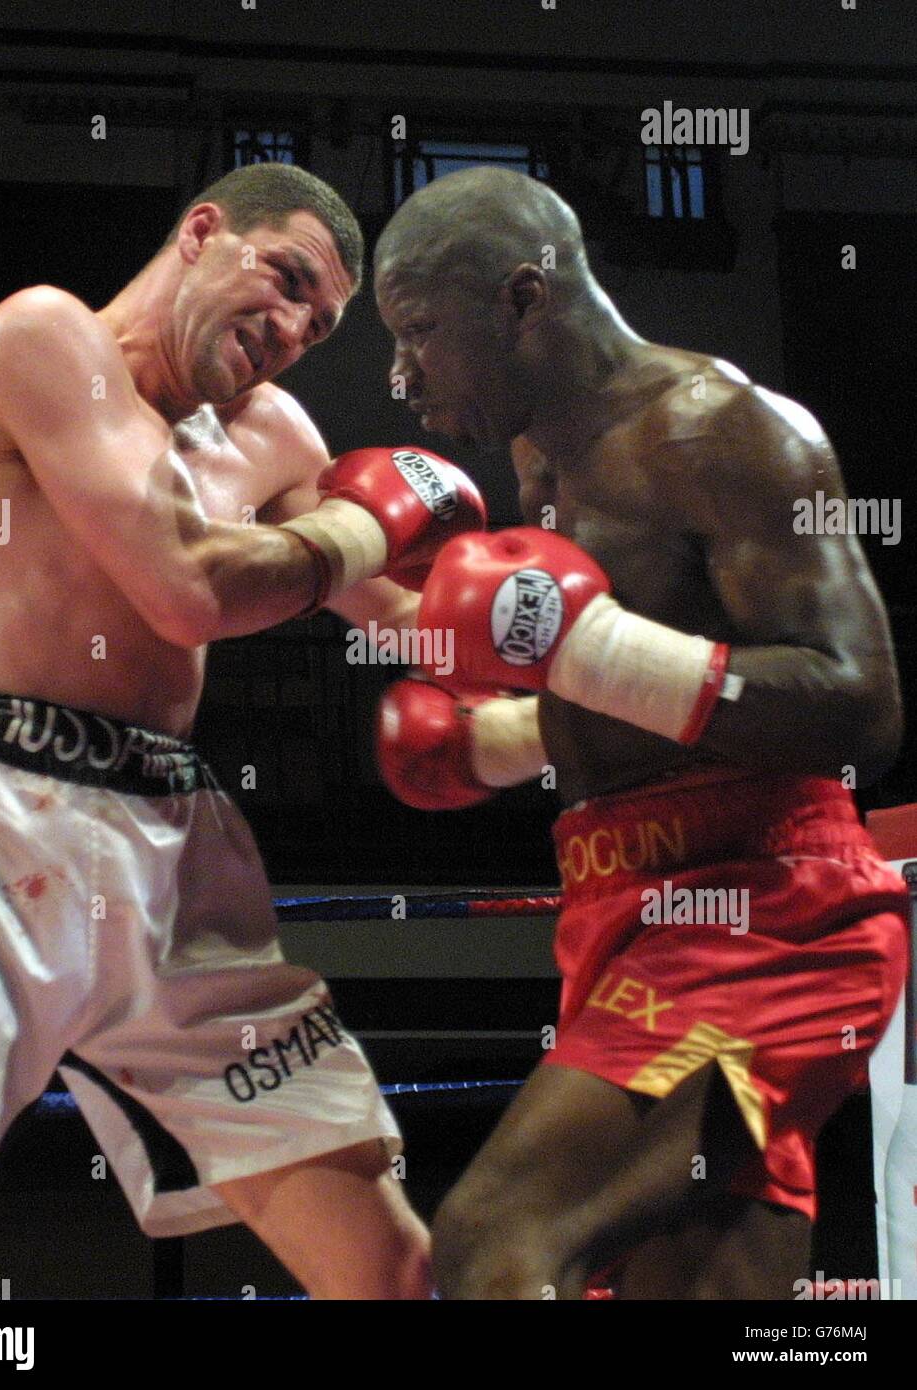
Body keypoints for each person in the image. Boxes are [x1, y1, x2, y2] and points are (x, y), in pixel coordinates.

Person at [0, 161, 486, 1300]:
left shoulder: (278, 434)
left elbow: (419, 623)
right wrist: (364, 528)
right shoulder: (44, 337)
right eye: (287, 279)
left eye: (319, 324)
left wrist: (583, 672)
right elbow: (187, 587)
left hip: (174, 846)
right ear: (203, 233)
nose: (294, 330)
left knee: (389, 1264)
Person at [372, 165, 909, 1299]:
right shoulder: (534, 457)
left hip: (766, 911)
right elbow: (623, 701)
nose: (399, 375)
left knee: (489, 1245)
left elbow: (861, 707)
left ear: (523, 298)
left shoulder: (722, 431)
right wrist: (489, 744)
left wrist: (592, 653)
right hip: (617, 904)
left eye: (420, 333)